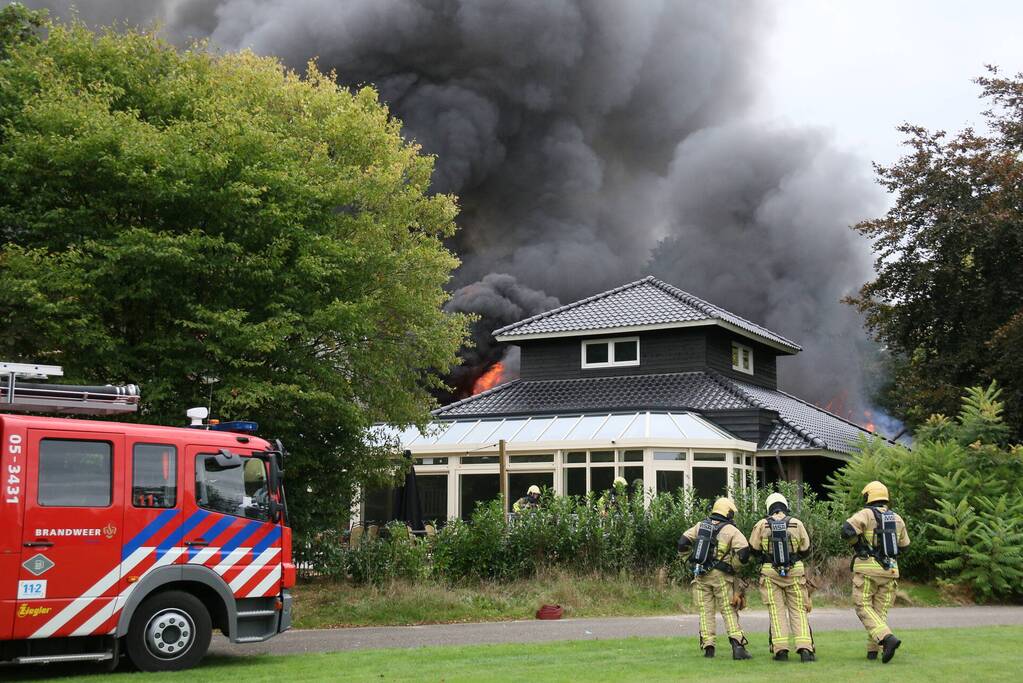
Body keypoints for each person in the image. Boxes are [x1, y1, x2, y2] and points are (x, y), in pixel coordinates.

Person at [841, 480, 911, 663]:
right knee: (879, 613)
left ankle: (888, 638)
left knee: (863, 606)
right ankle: (873, 652)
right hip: (890, 572)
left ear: (869, 496)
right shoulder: (897, 518)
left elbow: (847, 529)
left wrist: (860, 547)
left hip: (868, 570)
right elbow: (904, 546)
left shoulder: (866, 514)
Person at [678, 497, 753, 660]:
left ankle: (708, 648)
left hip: (700, 575)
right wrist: (734, 566)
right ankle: (738, 647)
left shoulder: (700, 526)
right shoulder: (731, 530)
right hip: (721, 577)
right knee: (728, 610)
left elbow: (682, 542)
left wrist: (689, 561)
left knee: (705, 611)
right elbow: (744, 552)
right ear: (727, 512)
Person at [749, 492, 815, 662]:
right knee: (798, 610)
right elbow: (806, 549)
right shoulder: (797, 523)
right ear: (785, 506)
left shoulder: (762, 525)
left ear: (769, 507)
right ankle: (805, 650)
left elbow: (754, 549)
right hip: (795, 572)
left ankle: (781, 651)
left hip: (770, 572)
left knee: (776, 611)